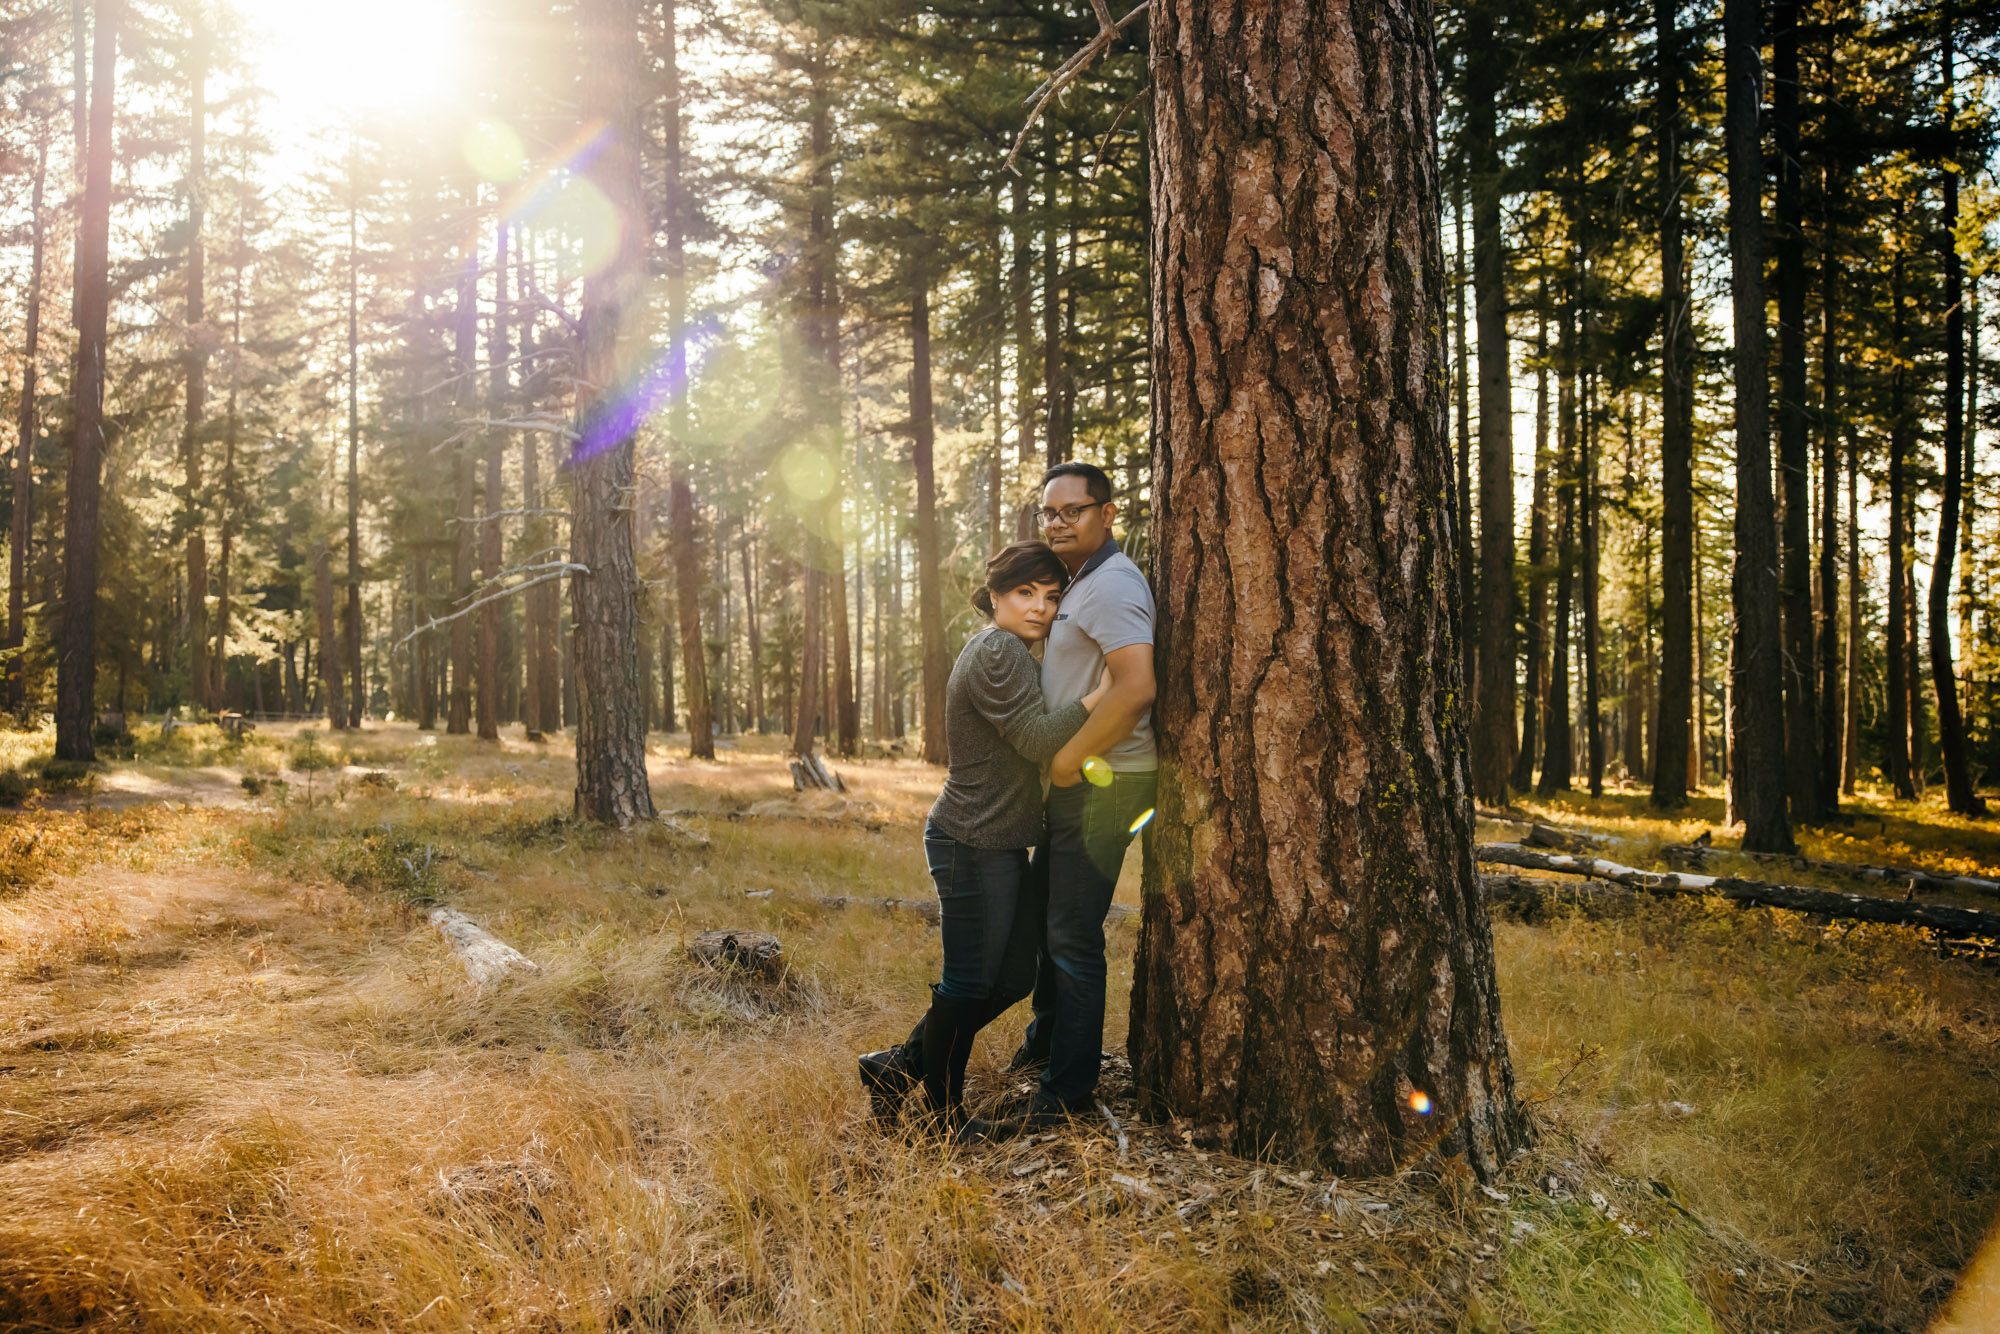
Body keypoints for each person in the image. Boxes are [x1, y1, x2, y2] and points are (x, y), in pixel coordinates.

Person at [857, 542, 1110, 1139]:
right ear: (994, 597)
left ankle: (897, 1068)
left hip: (996, 842)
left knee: (1015, 978)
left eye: (1051, 598)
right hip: (969, 840)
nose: (1040, 609)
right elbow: (1034, 738)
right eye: (1025, 594)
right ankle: (944, 1121)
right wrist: (1108, 690)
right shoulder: (998, 649)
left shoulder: (1018, 650)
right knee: (968, 984)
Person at [1000, 461, 1157, 1130]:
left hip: (1105, 782)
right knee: (1049, 922)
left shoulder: (1113, 584)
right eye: (1050, 513)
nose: (1060, 522)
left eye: (1075, 511)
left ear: (1108, 513)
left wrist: (1066, 760)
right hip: (1089, 778)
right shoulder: (1083, 583)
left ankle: (1068, 1093)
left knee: (1071, 934)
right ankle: (1045, 1045)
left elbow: (1136, 687)